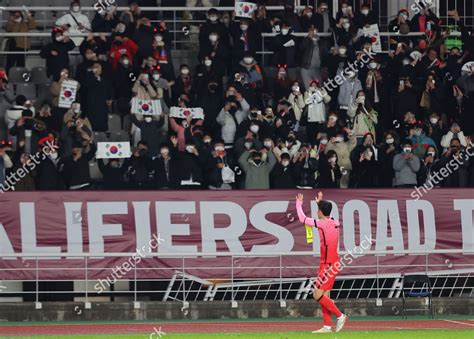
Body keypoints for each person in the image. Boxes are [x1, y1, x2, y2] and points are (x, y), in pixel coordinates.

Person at [295, 192, 347, 333]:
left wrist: (299, 203)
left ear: (321, 212)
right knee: (325, 295)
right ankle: (327, 326)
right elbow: (325, 213)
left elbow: (302, 218)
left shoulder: (322, 224)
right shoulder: (334, 221)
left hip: (328, 264)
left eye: (318, 210)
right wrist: (320, 202)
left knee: (316, 295)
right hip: (330, 263)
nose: (316, 212)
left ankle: (340, 315)